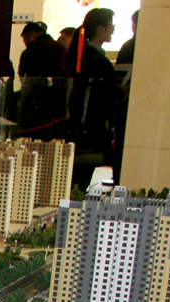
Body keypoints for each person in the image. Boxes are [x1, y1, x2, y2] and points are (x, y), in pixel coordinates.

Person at [65, 7, 124, 185]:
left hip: (79, 127)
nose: (113, 29)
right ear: (100, 29)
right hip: (91, 128)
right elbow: (107, 95)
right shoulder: (98, 61)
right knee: (82, 178)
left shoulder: (81, 56)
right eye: (110, 25)